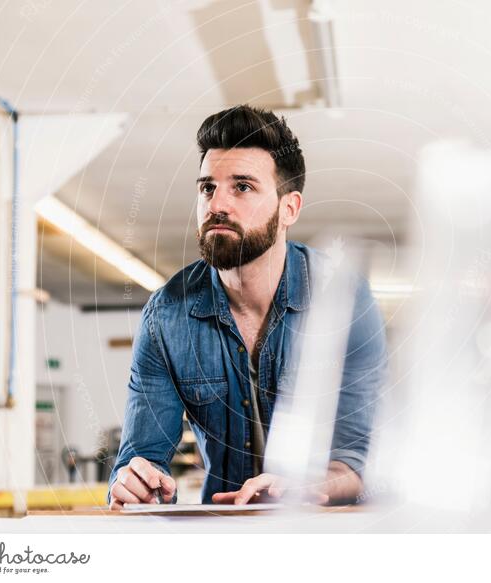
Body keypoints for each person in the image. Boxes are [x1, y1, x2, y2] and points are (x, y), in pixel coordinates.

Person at [107, 105, 388, 508]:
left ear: (289, 208)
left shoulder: (343, 299)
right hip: (224, 534)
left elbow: (361, 459)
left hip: (325, 534)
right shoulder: (167, 315)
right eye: (207, 187)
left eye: (242, 187)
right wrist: (133, 483)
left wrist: (304, 486)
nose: (217, 204)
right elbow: (141, 456)